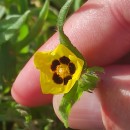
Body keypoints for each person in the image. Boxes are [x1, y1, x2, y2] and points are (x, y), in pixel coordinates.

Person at [11, 0, 130, 129]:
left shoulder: (73, 62)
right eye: (60, 71)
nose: (61, 70)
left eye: (61, 69)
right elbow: (43, 66)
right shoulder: (50, 68)